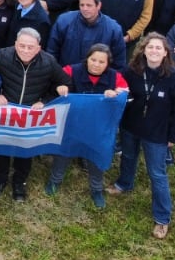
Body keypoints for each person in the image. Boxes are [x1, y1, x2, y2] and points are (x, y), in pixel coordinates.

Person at [0, 27, 69, 200]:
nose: (25, 50)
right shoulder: (3, 55)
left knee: (25, 151)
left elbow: (65, 84)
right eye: (22, 46)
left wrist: (45, 101)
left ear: (38, 48)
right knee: (2, 149)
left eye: (30, 47)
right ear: (15, 44)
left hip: (30, 116)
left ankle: (19, 183)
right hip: (6, 113)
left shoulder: (49, 62)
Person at [110, 33, 175, 238]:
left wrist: (174, 136)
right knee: (128, 156)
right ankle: (124, 184)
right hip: (131, 126)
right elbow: (120, 89)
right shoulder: (131, 71)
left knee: (157, 173)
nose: (153, 51)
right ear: (143, 50)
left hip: (157, 134)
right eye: (150, 47)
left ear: (165, 53)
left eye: (158, 48)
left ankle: (162, 218)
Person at [44, 43, 127, 207]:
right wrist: (59, 87)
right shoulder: (71, 70)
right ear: (86, 59)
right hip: (71, 124)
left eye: (101, 62)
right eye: (93, 59)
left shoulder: (114, 76)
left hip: (97, 127)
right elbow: (54, 80)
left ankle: (96, 189)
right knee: (63, 152)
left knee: (95, 156)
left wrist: (117, 94)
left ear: (108, 64)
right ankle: (55, 180)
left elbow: (126, 91)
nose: (96, 64)